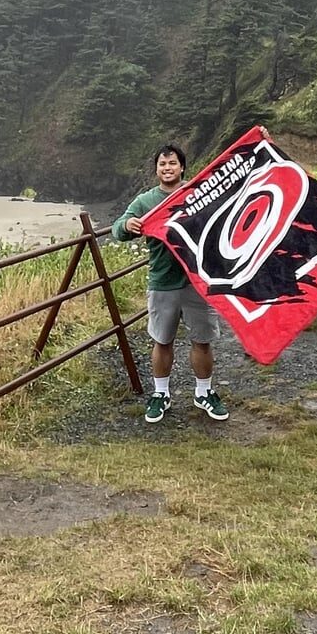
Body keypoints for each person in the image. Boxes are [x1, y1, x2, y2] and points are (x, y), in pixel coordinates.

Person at [112, 143, 229, 424]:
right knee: (162, 340)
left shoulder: (198, 193)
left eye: (172, 163)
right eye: (163, 164)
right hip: (163, 281)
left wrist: (258, 143)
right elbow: (119, 227)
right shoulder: (146, 201)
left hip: (198, 281)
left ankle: (204, 392)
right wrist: (128, 226)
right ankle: (160, 394)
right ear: (157, 169)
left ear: (182, 167)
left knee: (202, 340)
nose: (167, 168)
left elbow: (230, 194)